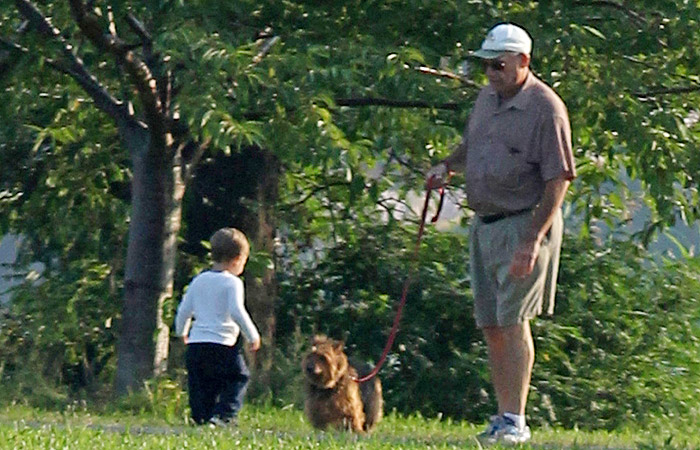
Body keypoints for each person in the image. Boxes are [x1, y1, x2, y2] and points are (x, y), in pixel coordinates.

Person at [426, 23, 575, 445]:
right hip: (484, 223)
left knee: (513, 321)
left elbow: (559, 180)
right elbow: (471, 146)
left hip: (523, 224)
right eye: (486, 65)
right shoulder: (487, 99)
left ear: (523, 62)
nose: (490, 72)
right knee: (491, 323)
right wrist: (447, 167)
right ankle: (502, 414)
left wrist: (532, 239)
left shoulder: (547, 109)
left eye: (498, 64)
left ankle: (516, 420)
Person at [175, 227, 262, 426]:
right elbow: (236, 311)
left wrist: (182, 332)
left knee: (201, 384)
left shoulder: (199, 280)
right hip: (222, 345)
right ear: (237, 259)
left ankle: (202, 418)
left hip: (196, 345)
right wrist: (252, 335)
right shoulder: (232, 283)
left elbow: (184, 310)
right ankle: (224, 415)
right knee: (239, 377)